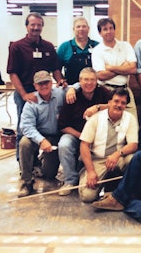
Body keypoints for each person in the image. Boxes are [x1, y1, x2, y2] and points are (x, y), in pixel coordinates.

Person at [7, 12, 65, 161]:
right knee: (24, 129)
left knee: (47, 126)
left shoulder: (48, 46)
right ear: (26, 26)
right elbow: (12, 73)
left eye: (39, 25)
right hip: (26, 92)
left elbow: (56, 69)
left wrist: (60, 82)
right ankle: (23, 163)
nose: (35, 27)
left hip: (45, 91)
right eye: (32, 24)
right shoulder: (17, 47)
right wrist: (24, 94)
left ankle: (42, 159)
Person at [57, 67, 111, 196]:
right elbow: (63, 125)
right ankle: (70, 180)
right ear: (79, 81)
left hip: (99, 136)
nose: (89, 83)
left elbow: (118, 105)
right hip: (77, 135)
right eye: (85, 80)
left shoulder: (103, 92)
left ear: (97, 81)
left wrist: (98, 107)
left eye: (92, 80)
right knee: (64, 144)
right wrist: (82, 136)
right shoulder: (72, 96)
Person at [79, 88, 138, 203]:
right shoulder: (96, 118)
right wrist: (91, 171)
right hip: (98, 160)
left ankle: (122, 189)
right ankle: (84, 172)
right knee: (87, 196)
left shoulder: (130, 118)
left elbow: (133, 144)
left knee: (133, 159)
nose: (119, 105)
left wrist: (117, 154)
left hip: (118, 158)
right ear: (109, 102)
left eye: (123, 103)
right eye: (116, 101)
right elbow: (84, 145)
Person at [18, 71, 66, 197]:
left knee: (49, 174)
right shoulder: (31, 102)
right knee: (24, 143)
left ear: (51, 83)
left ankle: (40, 161)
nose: (44, 86)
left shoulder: (60, 93)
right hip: (37, 136)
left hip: (55, 136)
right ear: (35, 86)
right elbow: (26, 126)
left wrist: (71, 90)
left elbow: (79, 85)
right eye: (40, 84)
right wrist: (41, 140)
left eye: (46, 82)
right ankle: (26, 181)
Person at [91, 17, 138, 118]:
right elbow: (101, 75)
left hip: (125, 90)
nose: (109, 31)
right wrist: (123, 68)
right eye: (105, 29)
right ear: (100, 33)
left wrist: (111, 68)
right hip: (106, 91)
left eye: (111, 28)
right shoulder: (97, 50)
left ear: (114, 29)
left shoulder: (126, 46)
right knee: (108, 126)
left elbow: (133, 69)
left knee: (132, 123)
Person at [57, 16, 99, 84]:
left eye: (84, 26)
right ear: (73, 29)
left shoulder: (97, 46)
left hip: (92, 88)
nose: (81, 29)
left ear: (88, 29)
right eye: (78, 26)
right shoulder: (64, 47)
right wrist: (61, 81)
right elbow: (56, 69)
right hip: (70, 89)